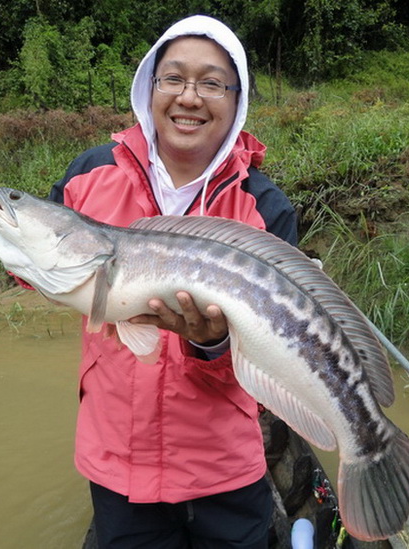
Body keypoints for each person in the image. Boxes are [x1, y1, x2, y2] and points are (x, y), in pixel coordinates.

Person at [48, 15, 298, 548]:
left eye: (211, 82)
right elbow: (47, 259)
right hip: (118, 460)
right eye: (173, 78)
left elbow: (276, 353)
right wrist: (14, 248)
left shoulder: (263, 207)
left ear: (237, 100)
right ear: (149, 87)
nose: (189, 97)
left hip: (224, 467)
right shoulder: (88, 174)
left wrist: (212, 344)